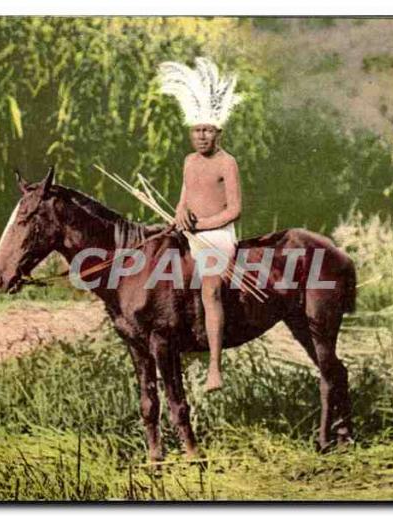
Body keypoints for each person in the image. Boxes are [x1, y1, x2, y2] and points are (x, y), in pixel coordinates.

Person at [158, 57, 244, 392]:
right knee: (159, 273)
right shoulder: (189, 161)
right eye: (197, 130)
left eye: (208, 130)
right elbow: (184, 196)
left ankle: (214, 369)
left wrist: (205, 224)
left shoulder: (227, 162)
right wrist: (180, 213)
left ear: (218, 132)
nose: (202, 135)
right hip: (190, 231)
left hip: (218, 237)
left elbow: (235, 209)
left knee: (210, 289)